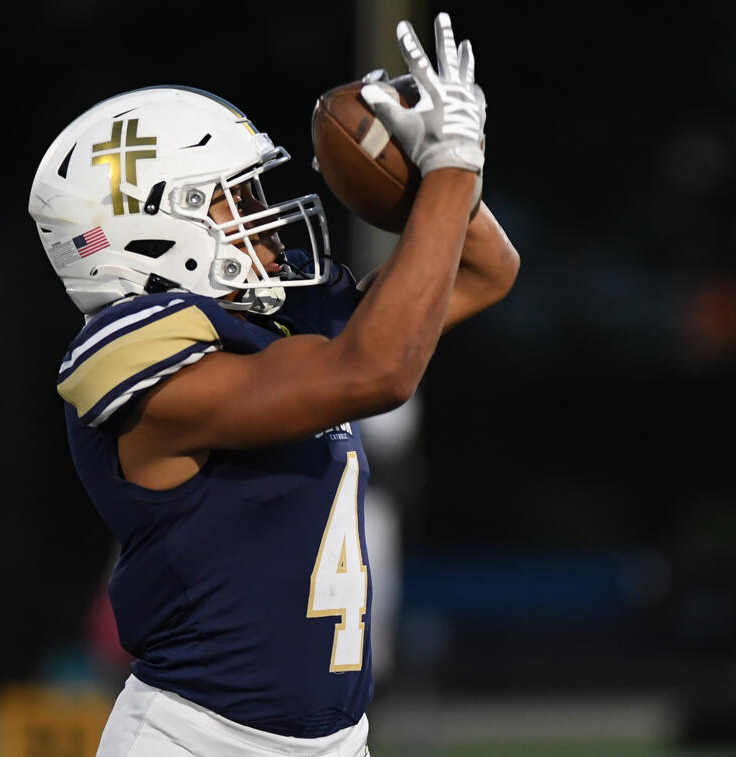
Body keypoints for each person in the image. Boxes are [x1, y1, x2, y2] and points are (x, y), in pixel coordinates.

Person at [28, 12, 517, 757]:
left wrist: (434, 171)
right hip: (193, 741)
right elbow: (379, 369)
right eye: (233, 198)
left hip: (335, 742)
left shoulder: (278, 320)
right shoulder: (132, 357)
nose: (263, 220)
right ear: (149, 225)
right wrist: (450, 169)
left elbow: (487, 271)